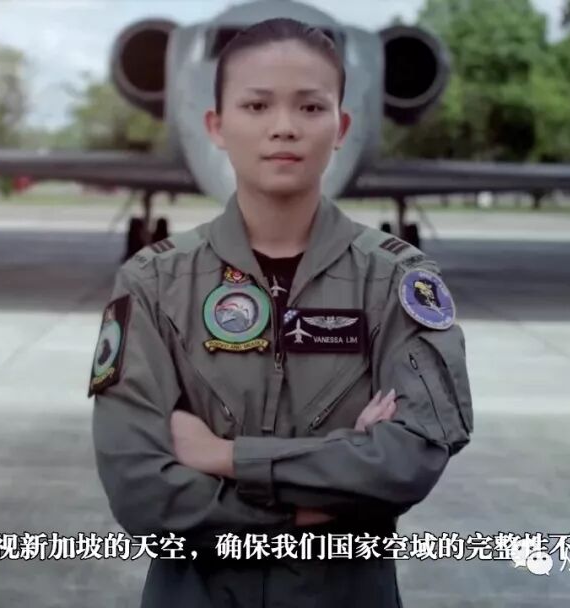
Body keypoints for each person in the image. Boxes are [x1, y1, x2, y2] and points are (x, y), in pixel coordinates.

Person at [89, 17, 473, 608]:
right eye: (257, 105)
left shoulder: (397, 281)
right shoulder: (151, 283)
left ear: (342, 126)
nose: (284, 127)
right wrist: (316, 509)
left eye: (311, 107)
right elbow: (140, 491)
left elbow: (408, 459)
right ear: (217, 125)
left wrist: (225, 457)